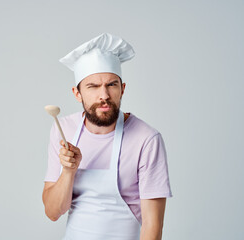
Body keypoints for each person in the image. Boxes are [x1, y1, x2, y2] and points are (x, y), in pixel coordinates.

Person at [42, 33, 173, 240]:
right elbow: (52, 212)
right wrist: (68, 171)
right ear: (77, 93)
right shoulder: (64, 129)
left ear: (122, 89)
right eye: (93, 86)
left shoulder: (146, 139)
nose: (103, 95)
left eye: (111, 85)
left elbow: (152, 226)